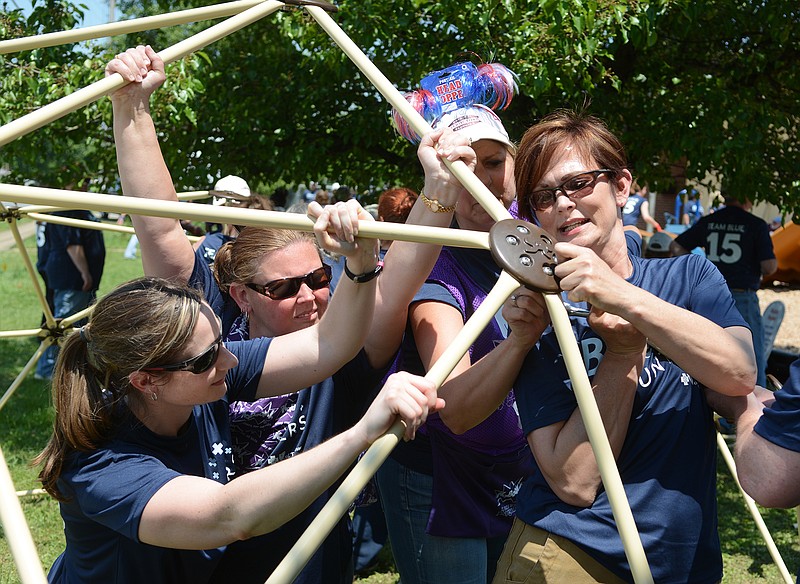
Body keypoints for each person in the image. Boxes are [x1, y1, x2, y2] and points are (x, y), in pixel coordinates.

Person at [107, 45, 463, 583]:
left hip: (306, 561)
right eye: (284, 287)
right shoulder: (215, 348)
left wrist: (437, 186)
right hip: (205, 554)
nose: (311, 296)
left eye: (320, 279)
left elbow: (399, 275)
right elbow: (159, 228)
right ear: (240, 296)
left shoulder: (340, 338)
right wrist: (132, 108)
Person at [488, 110, 756, 583]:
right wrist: (623, 356)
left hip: (683, 563)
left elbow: (738, 372)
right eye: (544, 197)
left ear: (622, 186)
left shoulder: (688, 278)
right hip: (572, 556)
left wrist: (623, 296)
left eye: (579, 183)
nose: (564, 205)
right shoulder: (541, 315)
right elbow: (572, 482)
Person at [34, 276, 441, 584]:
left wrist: (359, 264)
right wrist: (359, 435)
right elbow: (228, 516)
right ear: (145, 381)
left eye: (221, 342)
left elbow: (329, 344)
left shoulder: (204, 378)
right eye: (207, 357)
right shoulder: (100, 462)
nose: (230, 361)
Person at [379, 60, 536, 584]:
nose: (481, 180)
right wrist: (519, 340)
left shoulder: (532, 238)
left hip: (512, 466)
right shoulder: (434, 262)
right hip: (438, 476)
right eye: (463, 167)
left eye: (493, 162)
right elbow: (458, 408)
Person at [671, 194, 777, 387]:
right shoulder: (756, 224)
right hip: (741, 297)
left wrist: (696, 270)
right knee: (750, 358)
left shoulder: (709, 221)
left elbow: (676, 246)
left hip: (708, 296)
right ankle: (753, 411)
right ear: (747, 199)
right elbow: (769, 266)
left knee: (705, 353)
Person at [34, 209, 106, 381]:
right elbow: (72, 244)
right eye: (82, 180)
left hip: (74, 279)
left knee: (79, 326)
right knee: (63, 325)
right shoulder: (67, 211)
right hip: (71, 277)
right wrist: (85, 272)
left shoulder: (72, 210)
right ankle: (46, 369)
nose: (85, 184)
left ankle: (75, 366)